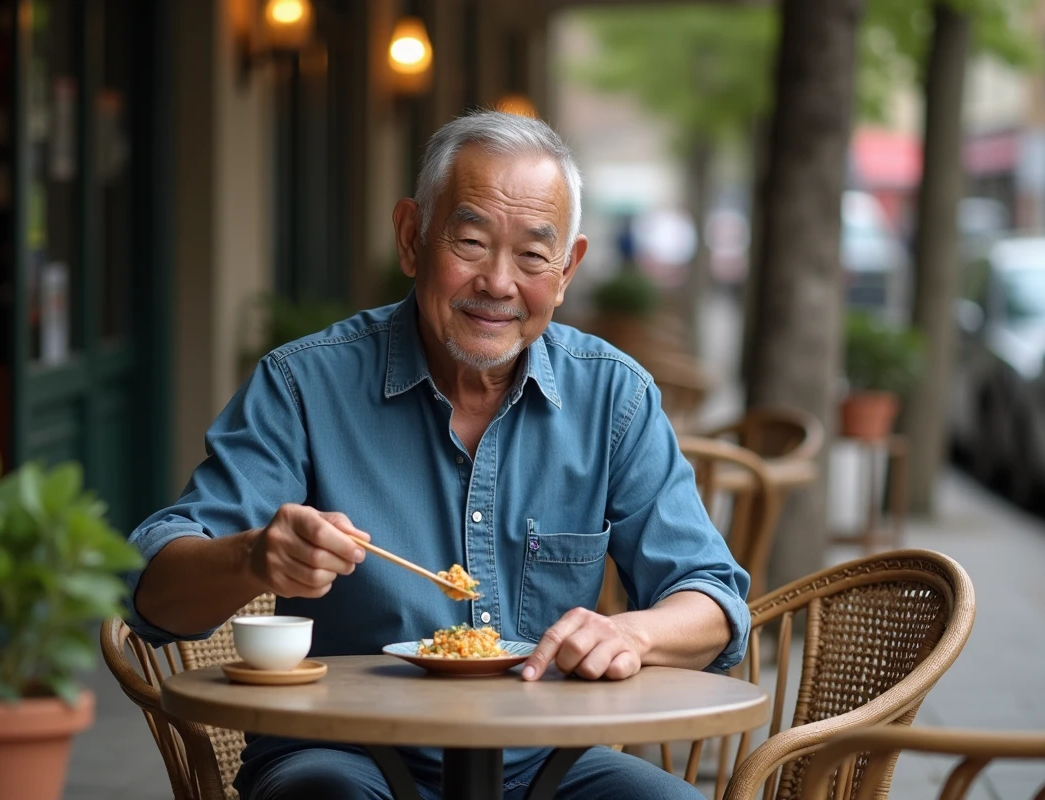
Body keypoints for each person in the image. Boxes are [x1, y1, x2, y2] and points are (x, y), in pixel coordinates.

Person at [126, 110, 750, 800]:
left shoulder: (615, 397)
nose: (498, 283)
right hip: (342, 753)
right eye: (472, 241)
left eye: (533, 255)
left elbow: (714, 602)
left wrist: (632, 632)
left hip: (546, 762)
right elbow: (155, 597)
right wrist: (253, 557)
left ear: (568, 268)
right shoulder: (304, 386)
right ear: (411, 238)